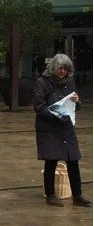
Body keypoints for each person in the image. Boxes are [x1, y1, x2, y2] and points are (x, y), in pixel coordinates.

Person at [33, 53, 91, 208]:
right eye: (60, 68)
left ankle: (77, 194)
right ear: (54, 67)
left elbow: (74, 106)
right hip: (49, 127)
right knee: (51, 160)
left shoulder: (69, 82)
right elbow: (39, 107)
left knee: (73, 159)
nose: (62, 71)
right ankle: (51, 195)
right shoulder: (42, 82)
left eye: (65, 69)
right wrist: (57, 114)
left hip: (66, 126)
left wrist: (76, 102)